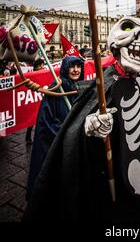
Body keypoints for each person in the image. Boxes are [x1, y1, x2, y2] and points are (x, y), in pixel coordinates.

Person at [23, 17, 140, 222]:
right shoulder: (107, 84)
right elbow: (77, 131)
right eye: (130, 30)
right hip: (119, 186)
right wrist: (90, 126)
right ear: (115, 47)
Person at [26, 55, 84, 199]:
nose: (76, 70)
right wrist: (67, 132)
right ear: (65, 68)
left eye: (78, 66)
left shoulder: (81, 87)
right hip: (60, 143)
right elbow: (46, 122)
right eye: (72, 66)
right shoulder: (55, 88)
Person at [25, 58, 46, 144]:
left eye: (43, 65)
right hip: (32, 99)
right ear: (37, 66)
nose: (42, 66)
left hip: (40, 98)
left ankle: (40, 137)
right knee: (31, 120)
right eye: (41, 65)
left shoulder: (43, 73)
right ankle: (28, 137)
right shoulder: (31, 75)